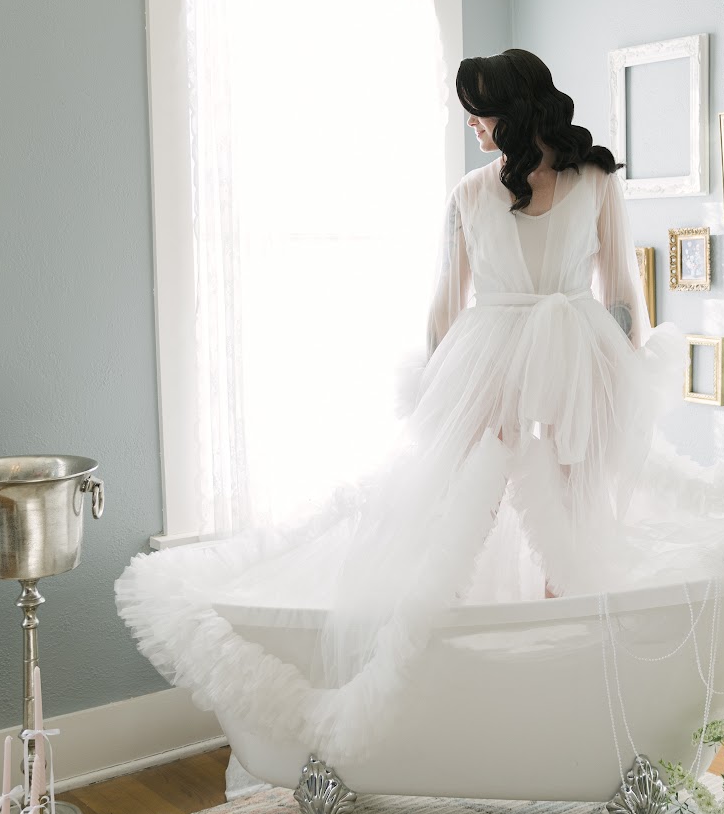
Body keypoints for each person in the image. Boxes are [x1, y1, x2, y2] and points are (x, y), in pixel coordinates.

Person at [117, 49, 673, 759]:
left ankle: (569, 676)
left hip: (577, 354)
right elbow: (445, 305)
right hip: (487, 360)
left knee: (573, 510)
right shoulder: (469, 195)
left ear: (515, 109)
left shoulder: (595, 180)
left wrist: (624, 371)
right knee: (463, 506)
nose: (473, 126)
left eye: (481, 112)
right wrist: (440, 391)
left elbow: (621, 287)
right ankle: (454, 673)